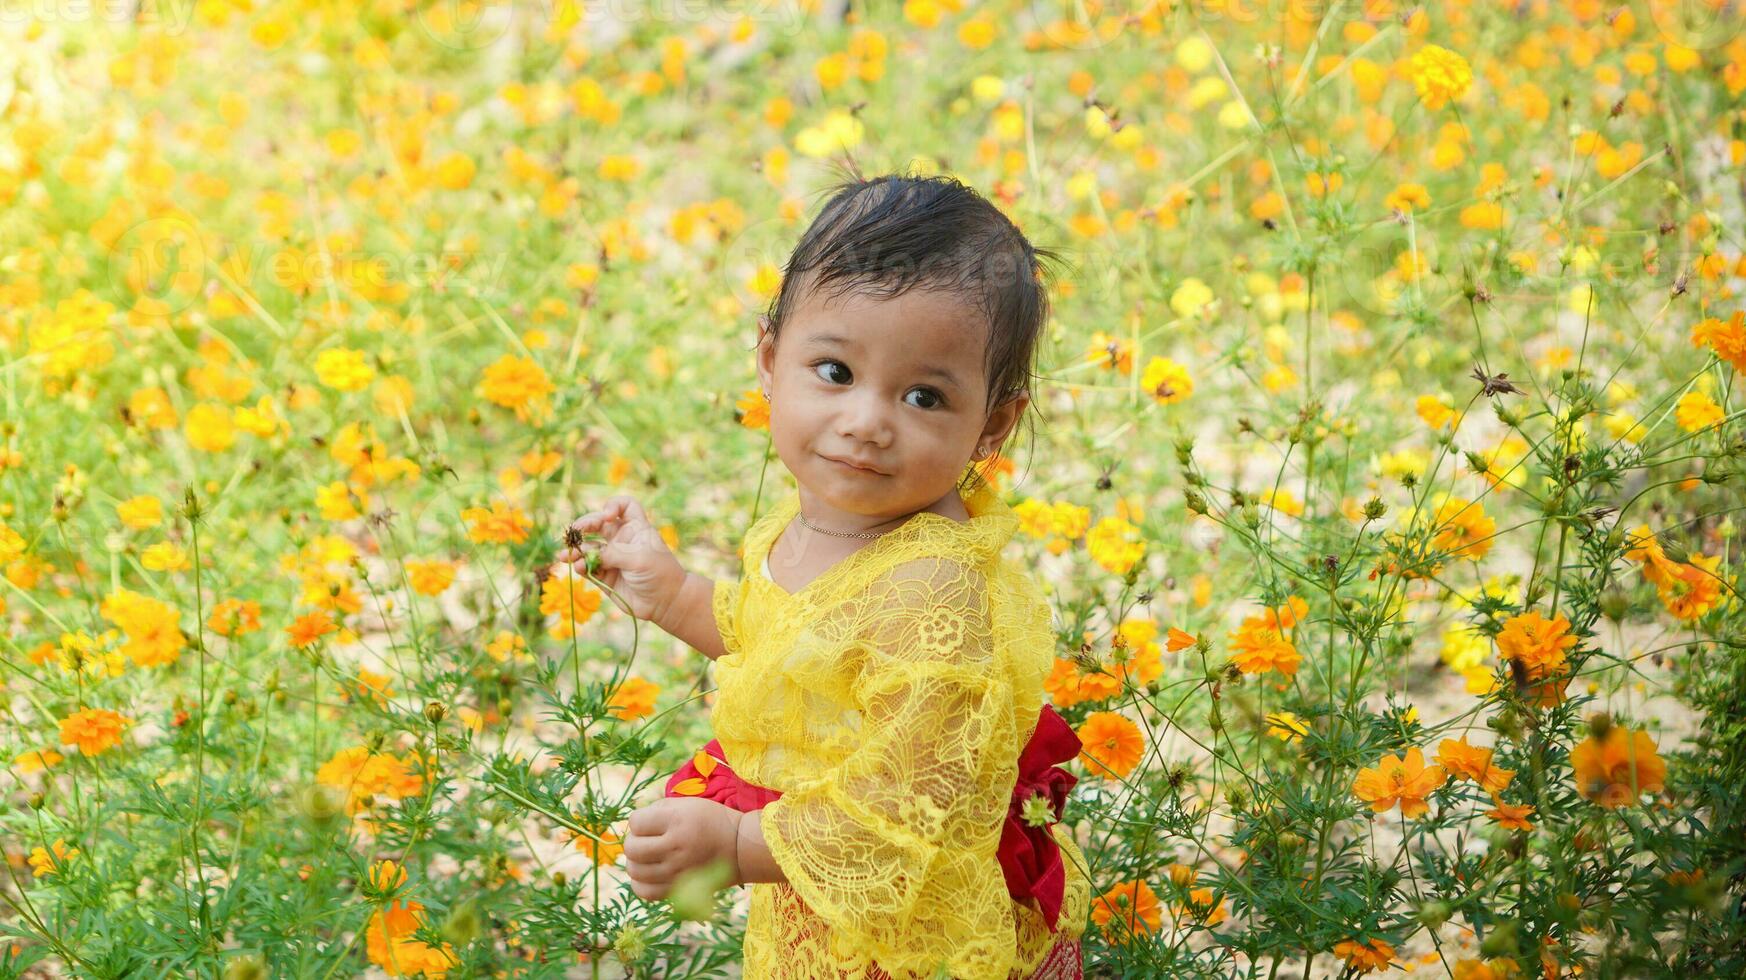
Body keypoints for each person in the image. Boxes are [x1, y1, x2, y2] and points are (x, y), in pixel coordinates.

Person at [555, 171, 1090, 979]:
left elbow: (910, 811)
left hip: (906, 932)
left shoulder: (932, 594)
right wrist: (671, 594)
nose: (867, 422)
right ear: (772, 361)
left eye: (923, 396)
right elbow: (791, 646)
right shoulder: (821, 519)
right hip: (818, 882)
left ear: (994, 423)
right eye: (835, 373)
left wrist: (738, 843)